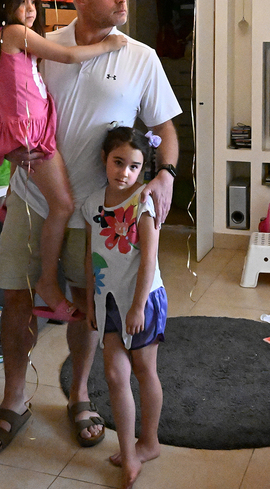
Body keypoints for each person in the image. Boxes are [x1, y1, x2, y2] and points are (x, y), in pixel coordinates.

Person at [0, 0, 181, 459]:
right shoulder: (41, 40)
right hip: (32, 197)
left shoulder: (142, 57)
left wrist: (166, 174)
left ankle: (79, 395)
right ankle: (14, 400)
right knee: (16, 299)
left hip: (98, 209)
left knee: (88, 305)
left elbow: (168, 128)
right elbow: (11, 96)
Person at [0, 0, 126, 322]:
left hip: (31, 128)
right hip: (31, 133)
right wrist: (108, 45)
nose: (29, 9)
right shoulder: (13, 33)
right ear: (3, 4)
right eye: (20, 1)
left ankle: (10, 207)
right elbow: (69, 56)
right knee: (62, 204)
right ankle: (46, 281)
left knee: (50, 196)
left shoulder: (6, 37)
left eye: (32, 1)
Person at [83, 126, 166, 488]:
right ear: (105, 159)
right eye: (118, 163)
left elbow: (149, 258)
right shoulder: (91, 204)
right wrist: (89, 301)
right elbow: (92, 256)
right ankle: (129, 455)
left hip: (142, 299)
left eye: (134, 167)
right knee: (116, 375)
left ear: (142, 170)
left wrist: (138, 306)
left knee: (144, 370)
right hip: (107, 301)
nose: (124, 173)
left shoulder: (143, 203)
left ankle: (149, 441)